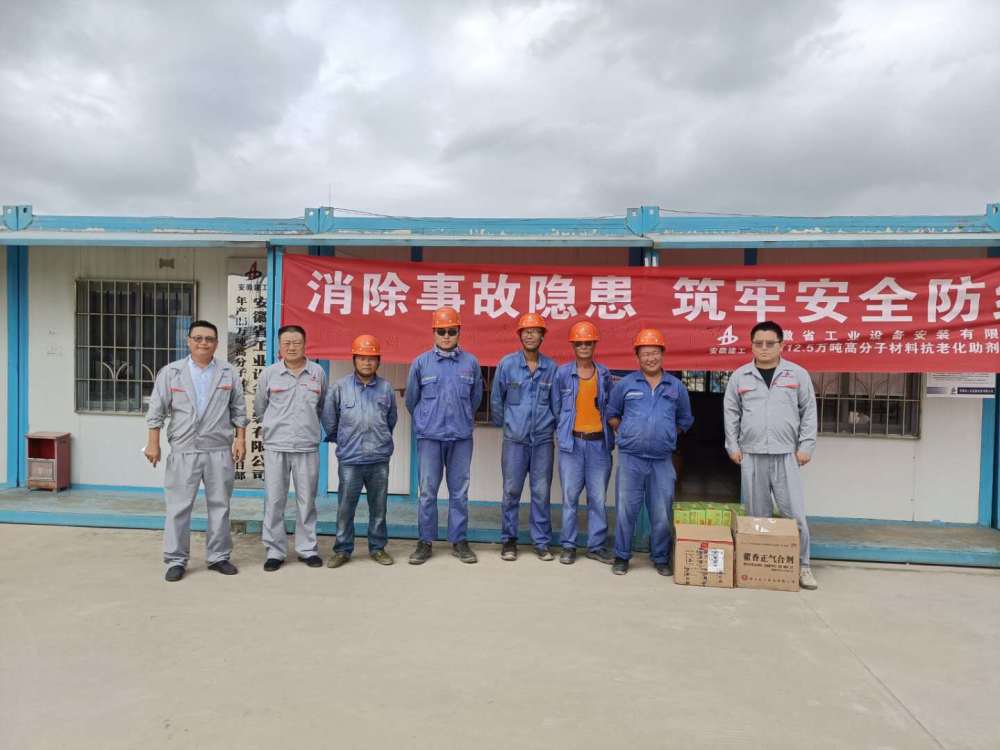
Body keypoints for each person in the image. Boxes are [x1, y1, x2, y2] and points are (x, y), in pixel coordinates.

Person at [144, 320, 247, 582]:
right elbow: (156, 410)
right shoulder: (171, 372)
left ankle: (218, 556)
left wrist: (240, 439)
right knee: (178, 507)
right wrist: (153, 443)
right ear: (189, 341)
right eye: (198, 338)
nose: (203, 343)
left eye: (209, 339)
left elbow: (239, 410)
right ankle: (176, 559)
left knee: (220, 505)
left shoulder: (228, 372)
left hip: (218, 448)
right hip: (184, 448)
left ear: (216, 343)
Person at [723, 320, 819, 590]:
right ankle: (758, 567)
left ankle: (803, 566)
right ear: (751, 345)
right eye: (758, 343)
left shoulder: (797, 374)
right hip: (752, 455)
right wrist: (733, 446)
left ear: (781, 345)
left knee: (795, 515)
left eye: (770, 343)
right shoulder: (740, 376)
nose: (764, 348)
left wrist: (806, 446)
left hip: (786, 454)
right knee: (757, 516)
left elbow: (809, 411)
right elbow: (731, 413)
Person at [606, 328, 693, 576]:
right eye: (645, 354)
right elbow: (612, 414)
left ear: (662, 354)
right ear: (637, 357)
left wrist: (666, 435)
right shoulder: (625, 385)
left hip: (662, 461)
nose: (650, 358)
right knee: (626, 511)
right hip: (631, 459)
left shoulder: (676, 386)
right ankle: (622, 556)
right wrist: (628, 432)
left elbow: (685, 419)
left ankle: (661, 557)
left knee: (661, 512)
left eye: (655, 353)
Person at [405, 307, 483, 565]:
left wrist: (462, 417)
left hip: (460, 437)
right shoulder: (421, 363)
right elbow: (412, 400)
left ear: (459, 332)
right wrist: (426, 421)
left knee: (459, 492)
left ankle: (459, 541)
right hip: (430, 437)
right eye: (442, 331)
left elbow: (476, 398)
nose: (446, 336)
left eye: (451, 331)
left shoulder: (471, 363)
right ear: (434, 333)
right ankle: (425, 541)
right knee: (427, 491)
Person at [254, 325, 326, 572]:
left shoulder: (317, 373)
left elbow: (321, 406)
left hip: (307, 446)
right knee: (275, 500)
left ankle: (307, 549)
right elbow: (260, 408)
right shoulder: (269, 374)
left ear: (305, 344)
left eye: (297, 342)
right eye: (287, 343)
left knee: (307, 501)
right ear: (279, 346)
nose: (292, 347)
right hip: (276, 446)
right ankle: (275, 551)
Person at [322, 334, 397, 568]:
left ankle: (378, 548)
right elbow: (329, 420)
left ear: (378, 361)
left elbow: (391, 420)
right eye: (362, 358)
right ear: (354, 359)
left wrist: (380, 440)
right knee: (346, 507)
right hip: (350, 460)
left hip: (378, 459)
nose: (367, 363)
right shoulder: (340, 387)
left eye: (371, 358)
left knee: (379, 508)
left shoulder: (386, 388)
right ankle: (343, 549)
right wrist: (345, 440)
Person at [490, 313, 558, 561]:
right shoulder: (507, 365)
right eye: (526, 331)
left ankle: (541, 542)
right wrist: (508, 427)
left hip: (542, 442)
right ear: (520, 335)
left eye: (535, 331)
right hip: (515, 442)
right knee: (511, 491)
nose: (530, 335)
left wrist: (551, 430)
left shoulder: (551, 368)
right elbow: (496, 400)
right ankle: (509, 540)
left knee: (541, 492)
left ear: (542, 336)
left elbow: (557, 405)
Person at [550, 320, 615, 565]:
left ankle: (595, 546)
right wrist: (564, 432)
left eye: (588, 343)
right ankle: (569, 546)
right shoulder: (562, 374)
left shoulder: (604, 374)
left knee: (597, 498)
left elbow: (610, 407)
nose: (584, 347)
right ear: (573, 346)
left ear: (594, 345)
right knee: (570, 497)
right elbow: (556, 407)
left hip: (599, 445)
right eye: (579, 343)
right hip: (572, 445)